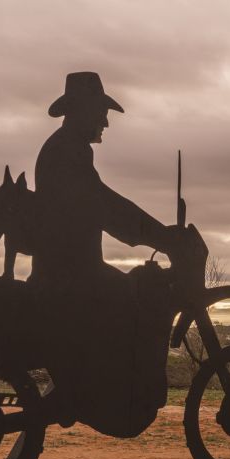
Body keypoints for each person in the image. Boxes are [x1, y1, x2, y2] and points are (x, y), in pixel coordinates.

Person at [30, 72, 182, 437]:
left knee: (133, 291)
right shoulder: (67, 152)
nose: (105, 121)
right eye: (100, 111)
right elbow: (104, 206)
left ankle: (101, 394)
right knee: (140, 299)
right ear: (81, 111)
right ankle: (113, 400)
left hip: (70, 270)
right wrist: (161, 235)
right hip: (72, 275)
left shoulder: (69, 149)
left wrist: (155, 233)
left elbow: (103, 203)